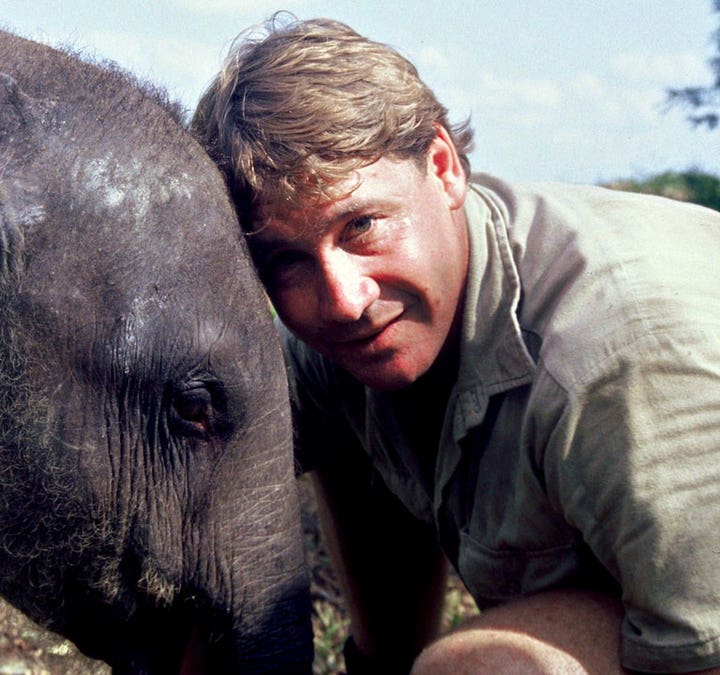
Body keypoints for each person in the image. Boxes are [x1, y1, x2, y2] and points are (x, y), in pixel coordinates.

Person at [191, 15, 720, 674]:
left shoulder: (619, 361)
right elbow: (192, 453)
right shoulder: (357, 321)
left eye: (362, 225)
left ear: (442, 167)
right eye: (287, 262)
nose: (343, 299)